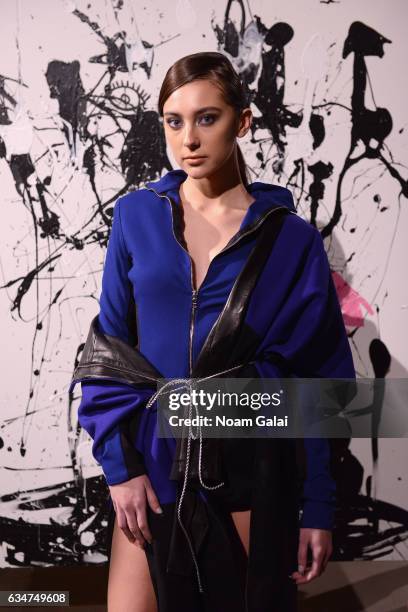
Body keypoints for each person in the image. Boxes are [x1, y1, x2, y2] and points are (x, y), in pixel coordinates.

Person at [70, 51, 356, 612]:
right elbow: (108, 349)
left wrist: (318, 506)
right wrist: (120, 467)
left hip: (248, 460)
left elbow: (319, 380)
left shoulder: (290, 238)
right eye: (174, 121)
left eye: (208, 118)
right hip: (152, 461)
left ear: (242, 121)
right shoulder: (135, 216)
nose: (189, 139)